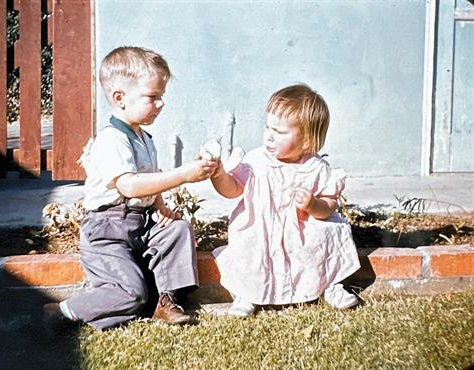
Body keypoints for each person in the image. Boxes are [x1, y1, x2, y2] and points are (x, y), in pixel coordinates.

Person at [43, 46, 218, 333]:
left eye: (161, 97)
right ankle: (63, 311)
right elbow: (130, 185)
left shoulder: (143, 137)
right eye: (153, 97)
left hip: (140, 223)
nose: (161, 104)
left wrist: (161, 206)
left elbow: (149, 178)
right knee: (131, 293)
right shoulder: (111, 140)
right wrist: (183, 175)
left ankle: (164, 299)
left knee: (177, 230)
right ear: (120, 98)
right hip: (107, 232)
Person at [209, 84, 361, 317]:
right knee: (251, 247)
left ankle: (330, 285)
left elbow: (327, 208)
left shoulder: (316, 168)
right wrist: (219, 175)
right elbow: (232, 190)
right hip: (262, 226)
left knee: (325, 236)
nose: (269, 136)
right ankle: (247, 293)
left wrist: (312, 204)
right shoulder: (255, 161)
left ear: (307, 140)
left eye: (280, 132)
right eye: (268, 127)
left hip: (300, 229)